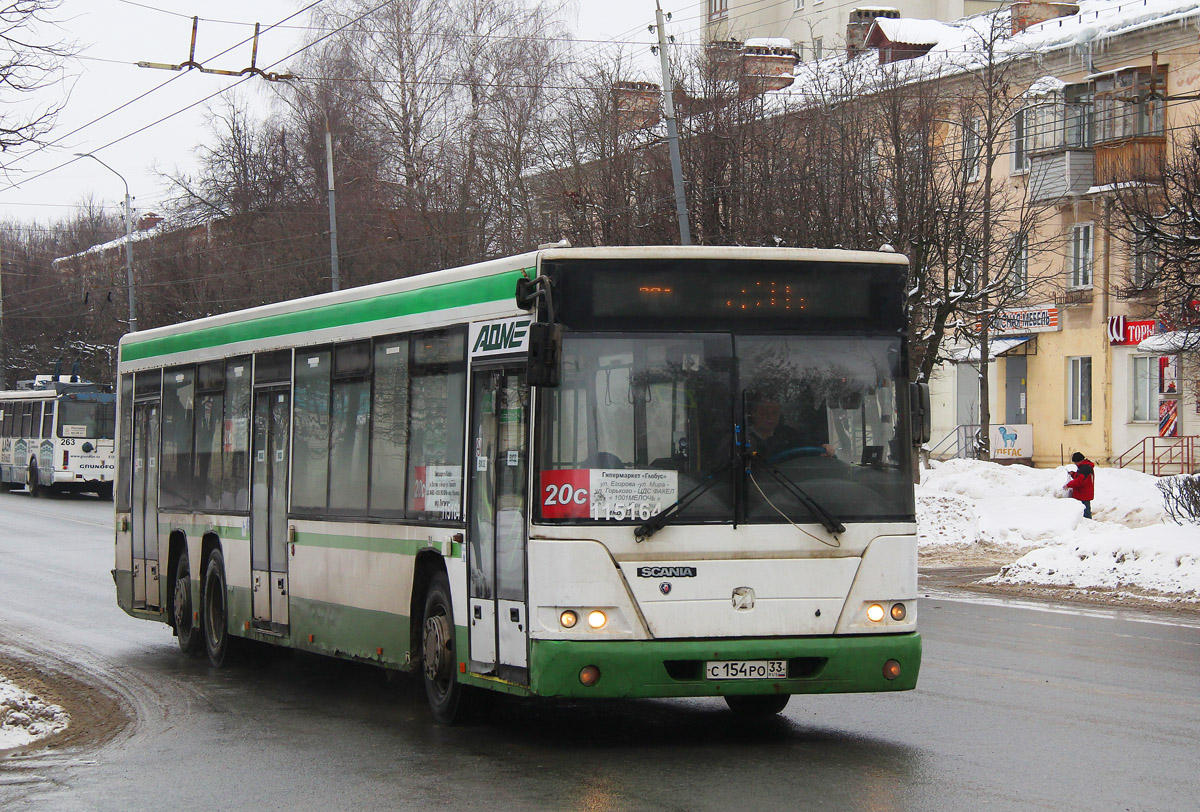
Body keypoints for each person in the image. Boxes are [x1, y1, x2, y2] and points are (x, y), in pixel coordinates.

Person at [747, 396, 835, 460]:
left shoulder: (789, 435)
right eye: (763, 413)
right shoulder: (743, 437)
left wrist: (824, 447)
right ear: (753, 414)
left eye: (774, 413)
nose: (769, 417)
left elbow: (809, 447)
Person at [1065, 451, 1095, 519]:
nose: (1075, 464)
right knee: (1085, 510)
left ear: (1079, 461)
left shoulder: (1085, 468)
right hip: (1084, 493)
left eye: (1075, 462)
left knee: (1085, 513)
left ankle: (1088, 525)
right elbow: (1081, 477)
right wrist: (1073, 474)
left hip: (1083, 494)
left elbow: (1080, 481)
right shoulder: (1085, 466)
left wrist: (1069, 485)